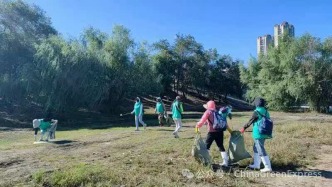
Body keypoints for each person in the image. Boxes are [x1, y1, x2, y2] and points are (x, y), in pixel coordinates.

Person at [239, 97, 273, 172]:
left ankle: (268, 167)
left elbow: (250, 121)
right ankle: (256, 164)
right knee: (256, 147)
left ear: (256, 104)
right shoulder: (265, 111)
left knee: (260, 148)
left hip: (258, 133)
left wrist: (243, 128)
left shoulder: (257, 111)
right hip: (265, 132)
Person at [195, 100, 233, 166]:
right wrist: (230, 131)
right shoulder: (217, 112)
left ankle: (206, 161)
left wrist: (197, 126)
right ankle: (226, 162)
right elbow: (224, 122)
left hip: (211, 132)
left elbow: (202, 121)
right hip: (220, 132)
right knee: (221, 146)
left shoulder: (208, 112)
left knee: (206, 146)